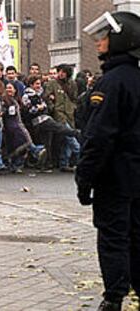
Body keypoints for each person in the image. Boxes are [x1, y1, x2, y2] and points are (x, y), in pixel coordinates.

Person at [76, 11, 140, 311]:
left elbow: (99, 138)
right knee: (137, 235)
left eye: (104, 37)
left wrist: (84, 177)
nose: (99, 42)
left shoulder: (111, 83)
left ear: (120, 40)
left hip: (114, 177)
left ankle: (114, 298)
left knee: (113, 236)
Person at [44, 64, 80, 172]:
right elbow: (46, 97)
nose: (60, 74)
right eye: (59, 71)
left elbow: (74, 98)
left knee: (66, 139)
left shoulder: (72, 84)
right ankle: (80, 157)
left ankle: (64, 163)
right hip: (59, 114)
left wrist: (73, 107)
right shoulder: (52, 83)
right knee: (71, 137)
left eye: (63, 72)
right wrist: (53, 107)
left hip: (69, 113)